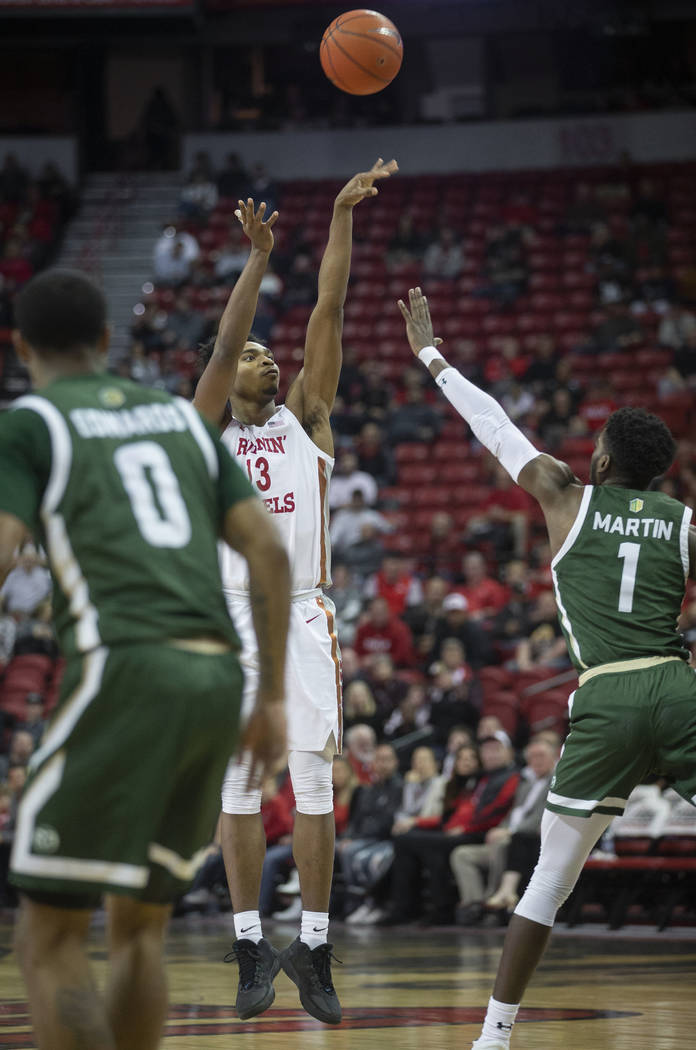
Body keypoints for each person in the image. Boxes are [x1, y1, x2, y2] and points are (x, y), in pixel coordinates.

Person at [397, 285, 696, 1050]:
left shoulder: (565, 495)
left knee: (549, 880)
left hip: (607, 697)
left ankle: (494, 1037)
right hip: (675, 685)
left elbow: (494, 425)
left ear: (600, 457)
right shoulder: (684, 522)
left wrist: (430, 356)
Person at [0, 268, 290, 1050]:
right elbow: (267, 549)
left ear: (21, 347)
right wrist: (270, 697)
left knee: (48, 939)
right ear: (105, 340)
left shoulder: (30, 423)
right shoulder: (176, 419)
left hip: (126, 667)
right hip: (218, 681)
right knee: (138, 932)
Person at [194, 158, 398, 1026]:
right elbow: (218, 345)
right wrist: (256, 259)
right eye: (250, 352)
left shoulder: (309, 416)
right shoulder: (203, 427)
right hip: (230, 612)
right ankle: (249, 943)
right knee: (240, 785)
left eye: (266, 352)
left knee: (314, 778)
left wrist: (342, 215)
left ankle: (312, 944)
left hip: (305, 609)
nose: (261, 355)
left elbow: (329, 311)